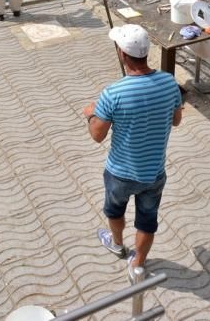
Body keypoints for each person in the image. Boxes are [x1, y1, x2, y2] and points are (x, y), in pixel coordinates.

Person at [83, 24, 182, 281]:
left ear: (122, 55)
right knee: (147, 221)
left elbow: (97, 135)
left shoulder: (113, 93)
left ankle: (117, 244)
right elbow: (176, 120)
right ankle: (137, 264)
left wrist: (91, 114)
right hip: (154, 173)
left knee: (115, 212)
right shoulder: (169, 82)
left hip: (120, 174)